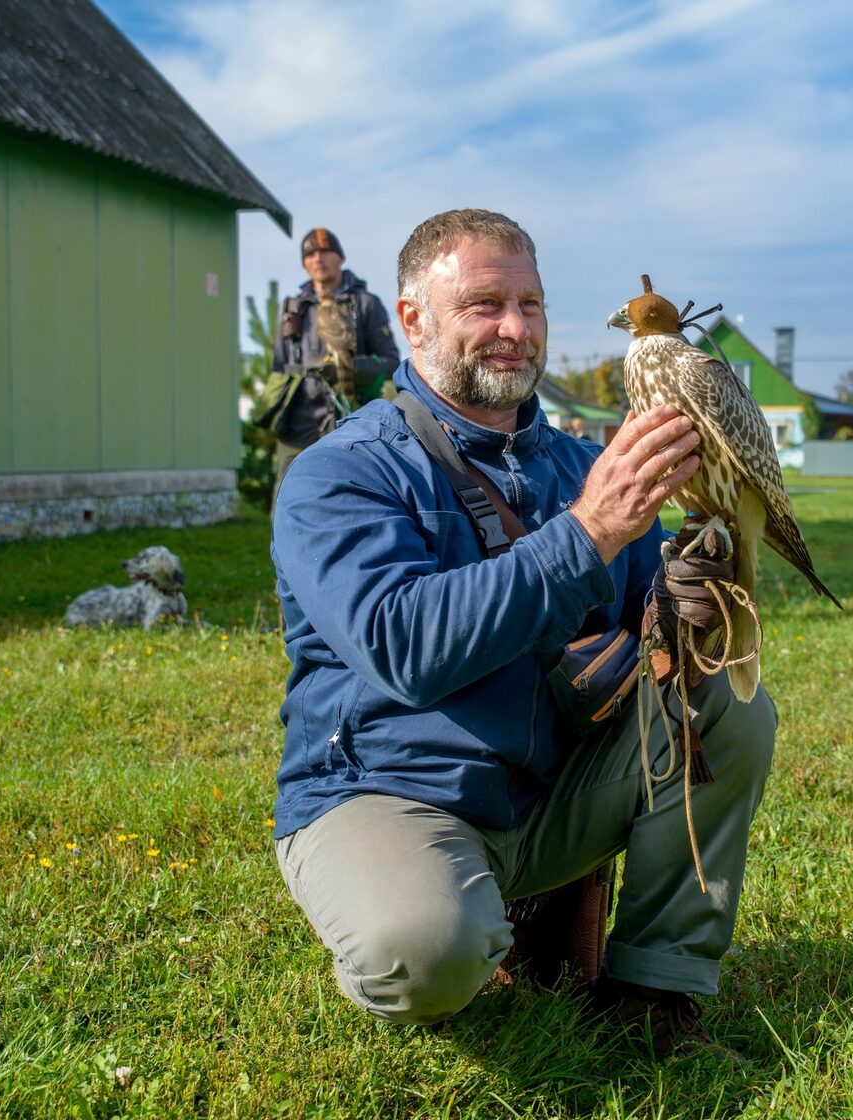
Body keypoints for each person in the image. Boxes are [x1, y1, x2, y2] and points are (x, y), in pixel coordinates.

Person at [269, 209, 778, 1056]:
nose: (514, 329)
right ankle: (449, 913)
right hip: (391, 792)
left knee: (723, 703)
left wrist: (698, 595)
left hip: (548, 794)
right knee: (423, 956)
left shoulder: (589, 468)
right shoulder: (343, 471)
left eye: (532, 305)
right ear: (412, 320)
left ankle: (651, 995)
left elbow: (648, 632)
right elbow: (404, 648)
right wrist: (588, 534)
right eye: (483, 305)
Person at [270, 227, 401, 498]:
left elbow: (390, 362)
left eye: (325, 252)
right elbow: (279, 367)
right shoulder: (294, 308)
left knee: (352, 498)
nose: (318, 258)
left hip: (351, 420)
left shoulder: (365, 304)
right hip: (298, 425)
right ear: (305, 263)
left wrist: (349, 369)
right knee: (289, 499)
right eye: (310, 254)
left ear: (340, 257)